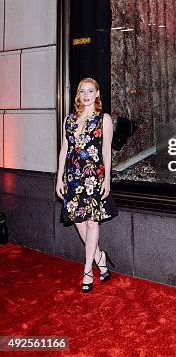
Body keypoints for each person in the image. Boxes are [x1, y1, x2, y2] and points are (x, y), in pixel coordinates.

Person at [56, 77, 118, 293]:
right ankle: (100, 257)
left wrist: (107, 179)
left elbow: (106, 152)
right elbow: (65, 149)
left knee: (92, 223)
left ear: (97, 94)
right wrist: (59, 178)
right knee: (78, 221)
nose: (86, 94)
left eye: (90, 91)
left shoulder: (104, 119)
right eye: (82, 91)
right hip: (73, 177)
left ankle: (87, 270)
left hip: (93, 177)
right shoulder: (69, 120)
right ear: (78, 94)